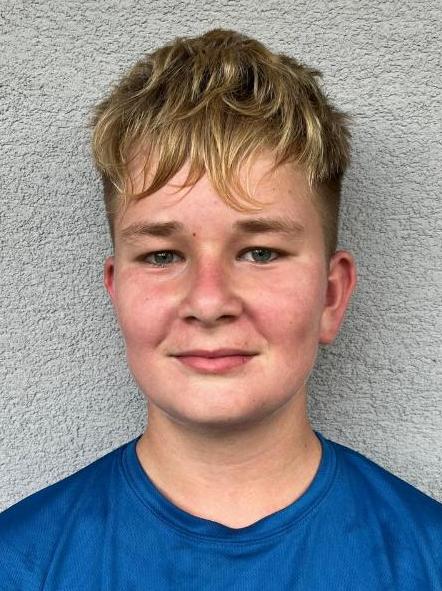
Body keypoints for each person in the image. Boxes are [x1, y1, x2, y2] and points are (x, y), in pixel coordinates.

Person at [0, 28, 440, 590]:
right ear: (117, 293)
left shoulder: (427, 560)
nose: (208, 302)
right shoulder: (19, 565)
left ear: (331, 296)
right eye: (162, 256)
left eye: (260, 252)